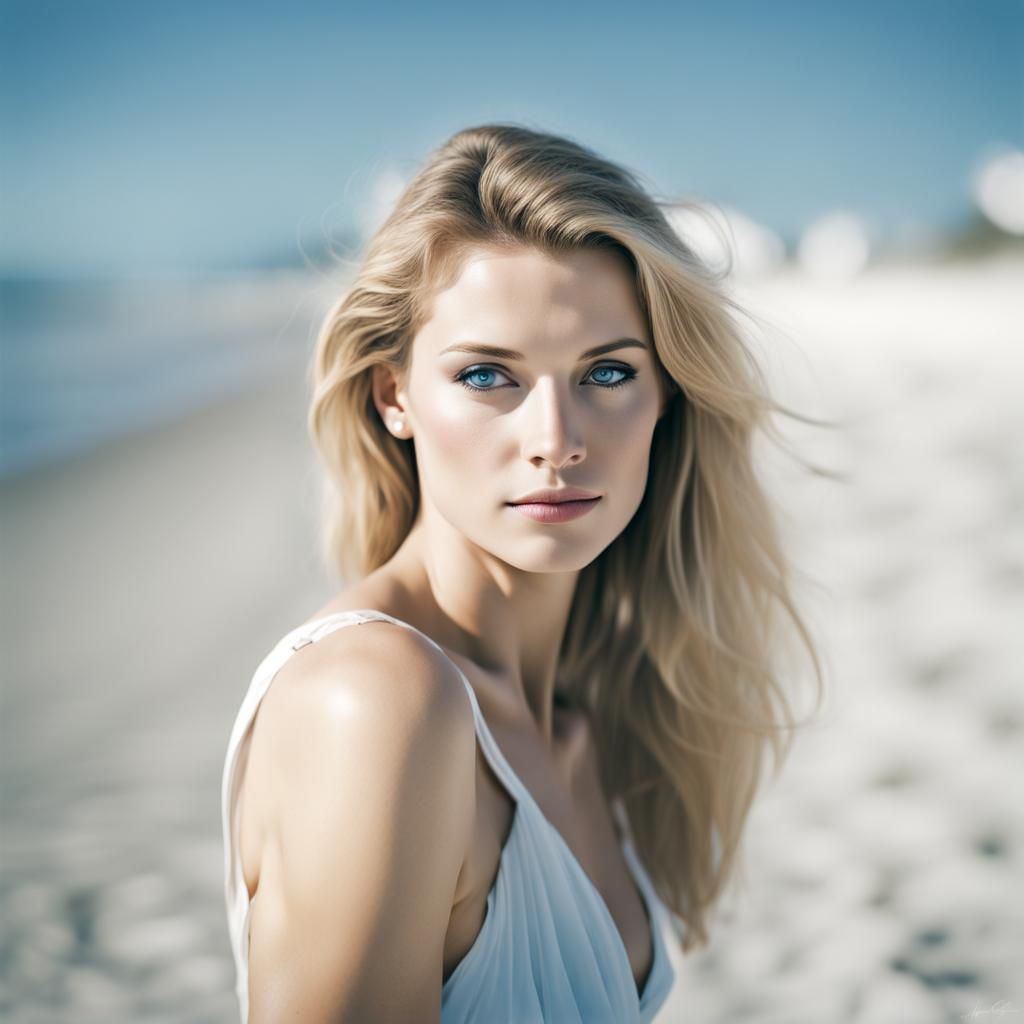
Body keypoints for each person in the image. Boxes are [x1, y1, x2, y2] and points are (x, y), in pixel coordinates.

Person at [221, 123, 823, 1022]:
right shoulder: (378, 702)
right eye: (488, 376)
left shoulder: (592, 718)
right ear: (395, 396)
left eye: (608, 371)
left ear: (667, 398)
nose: (556, 441)